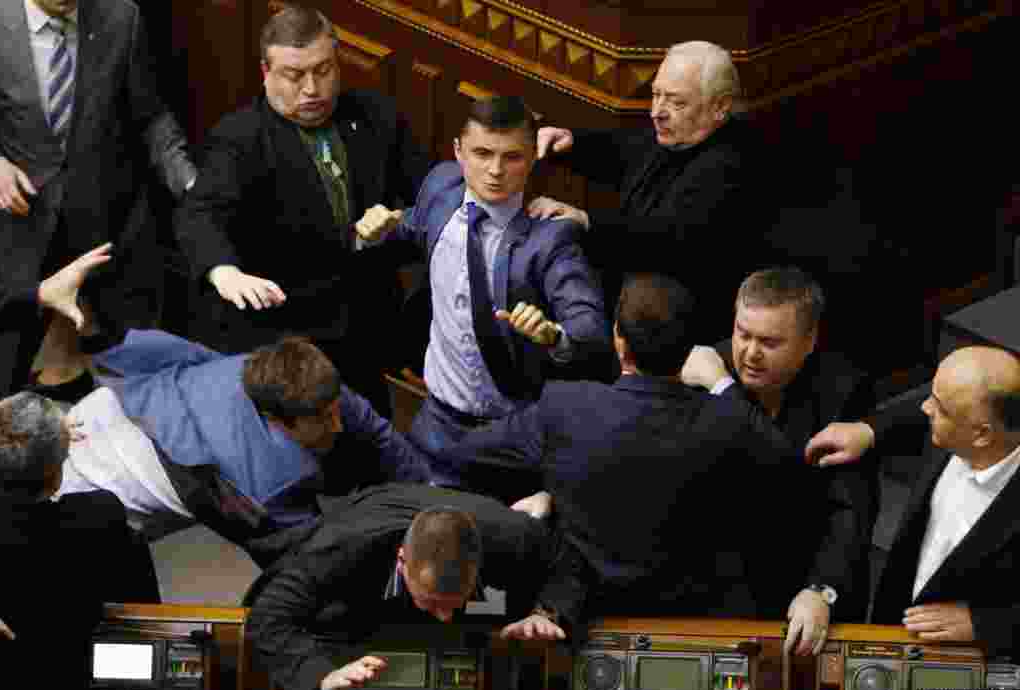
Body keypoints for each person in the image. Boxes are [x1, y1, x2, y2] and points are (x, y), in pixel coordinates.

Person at [441, 273, 834, 650]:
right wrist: (723, 387)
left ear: (618, 341)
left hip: (583, 621)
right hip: (700, 626)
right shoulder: (728, 419)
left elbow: (461, 453)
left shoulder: (563, 408)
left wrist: (549, 489)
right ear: (692, 349)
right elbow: (794, 478)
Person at [176, 4, 432, 416]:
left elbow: (428, 193)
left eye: (324, 70)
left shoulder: (376, 115)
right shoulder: (240, 138)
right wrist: (223, 271)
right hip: (289, 334)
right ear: (266, 72)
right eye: (295, 76)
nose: (312, 89)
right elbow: (199, 213)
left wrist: (401, 222)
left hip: (366, 325)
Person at [354, 96, 610, 471]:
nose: (494, 170)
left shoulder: (552, 240)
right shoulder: (441, 188)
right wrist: (373, 230)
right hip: (434, 416)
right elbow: (411, 225)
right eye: (482, 153)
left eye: (512, 157)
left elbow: (591, 332)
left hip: (509, 434)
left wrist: (555, 336)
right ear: (459, 152)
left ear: (532, 159)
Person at [52, 329, 433, 566]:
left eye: (335, 411)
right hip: (100, 482)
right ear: (278, 421)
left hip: (113, 405)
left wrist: (431, 495)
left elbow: (376, 431)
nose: (338, 424)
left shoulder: (298, 380)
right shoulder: (266, 485)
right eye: (322, 420)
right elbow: (312, 561)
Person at [0, 0, 197, 398]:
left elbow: (150, 117)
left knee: (125, 378)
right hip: (19, 229)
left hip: (106, 224)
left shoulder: (121, 16)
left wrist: (194, 187)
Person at [679, 267, 879, 647]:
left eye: (769, 342)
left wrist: (822, 590)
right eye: (743, 333)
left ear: (809, 341)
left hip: (804, 574)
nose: (749, 353)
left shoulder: (843, 388)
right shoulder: (704, 371)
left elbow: (849, 506)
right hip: (718, 582)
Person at [528, 40, 762, 340]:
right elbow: (624, 150)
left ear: (721, 107)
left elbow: (660, 241)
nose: (657, 112)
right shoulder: (682, 133)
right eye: (656, 95)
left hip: (676, 330)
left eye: (676, 102)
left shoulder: (731, 166)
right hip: (634, 303)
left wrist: (586, 221)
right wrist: (571, 142)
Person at [244, 482, 553, 690]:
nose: (445, 618)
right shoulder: (342, 548)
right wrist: (320, 677)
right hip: (357, 572)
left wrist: (545, 611)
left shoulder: (511, 535)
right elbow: (268, 615)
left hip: (486, 522)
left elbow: (568, 559)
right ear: (403, 560)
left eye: (454, 601)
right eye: (432, 602)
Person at [807, 346, 1020, 656]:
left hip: (960, 660)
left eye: (939, 407)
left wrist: (987, 624)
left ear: (982, 435)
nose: (925, 407)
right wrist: (869, 430)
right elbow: (925, 412)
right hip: (891, 624)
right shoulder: (959, 422)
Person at [0, 391, 160, 690]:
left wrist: (37, 444)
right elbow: (134, 590)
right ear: (55, 474)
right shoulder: (98, 513)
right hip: (79, 664)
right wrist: (48, 446)